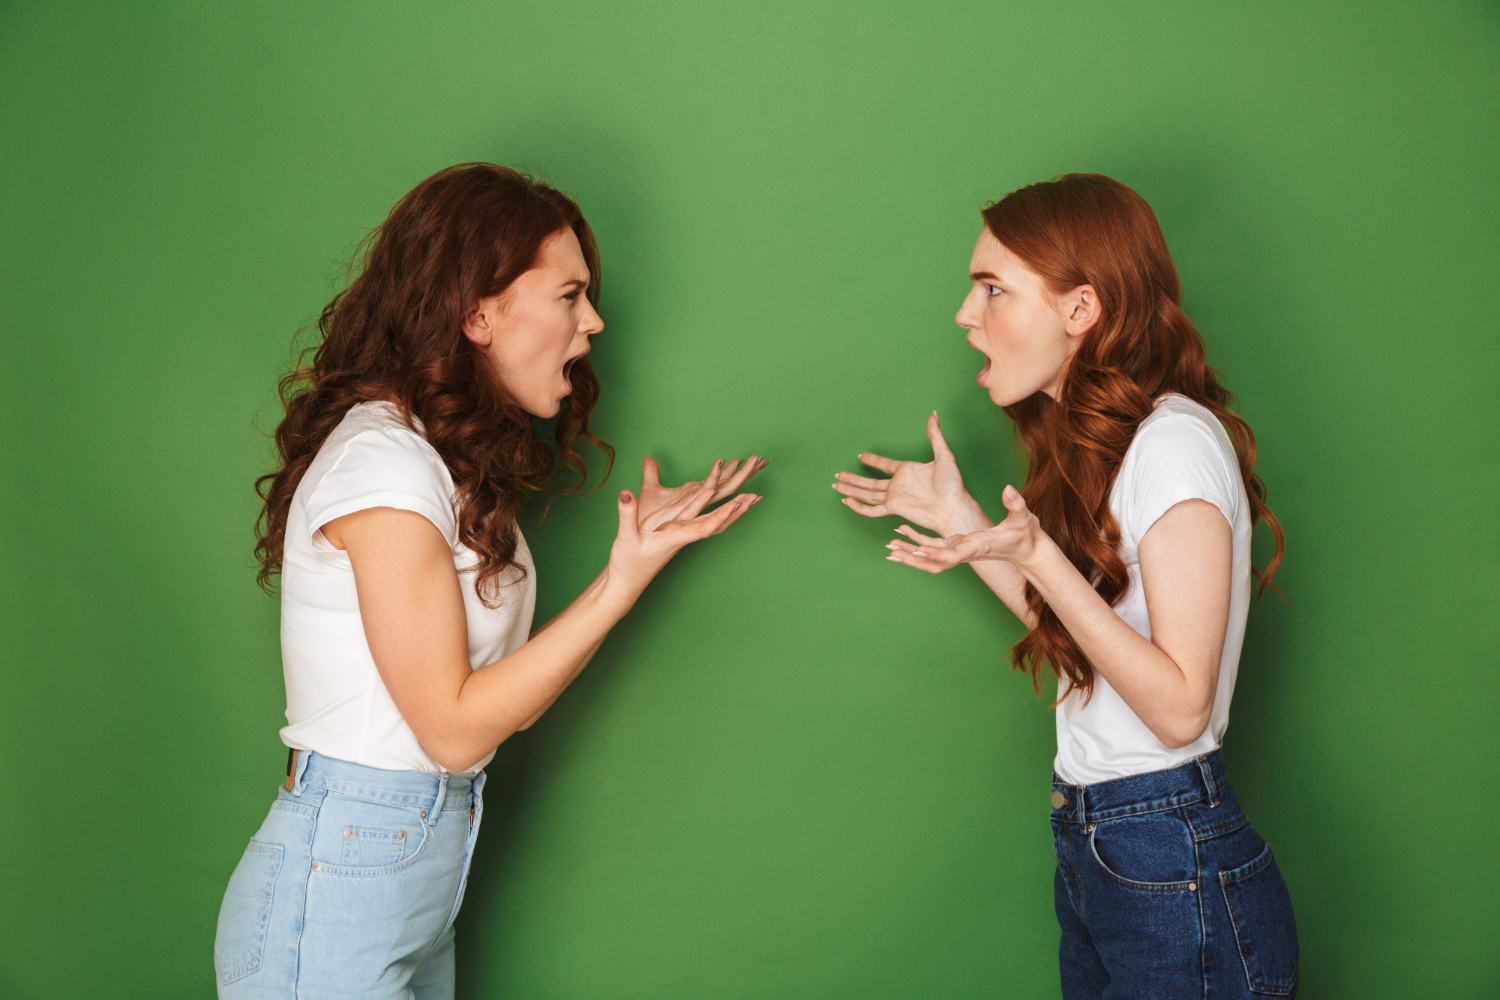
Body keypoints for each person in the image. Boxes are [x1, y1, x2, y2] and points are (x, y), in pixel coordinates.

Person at [214, 163, 765, 998]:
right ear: (478, 312)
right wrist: (623, 579)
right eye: (570, 296)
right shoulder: (386, 468)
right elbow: (455, 729)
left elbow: (491, 708)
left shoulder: (436, 461)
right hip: (343, 879)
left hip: (405, 870)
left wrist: (637, 562)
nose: (594, 323)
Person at [834, 174, 1298, 998]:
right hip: (1104, 843)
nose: (965, 315)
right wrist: (962, 518)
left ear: (1081, 309)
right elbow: (1087, 636)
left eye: (993, 289)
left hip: (1167, 847)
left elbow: (1181, 707)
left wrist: (1040, 555)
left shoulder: (1175, 445)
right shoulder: (1114, 448)